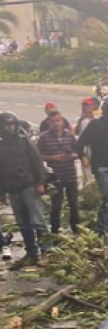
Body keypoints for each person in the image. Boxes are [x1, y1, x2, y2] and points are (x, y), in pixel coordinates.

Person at [0, 111, 49, 268]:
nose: (11, 128)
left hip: (29, 184)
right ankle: (31, 253)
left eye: (13, 124)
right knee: (22, 223)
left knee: (38, 221)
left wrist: (41, 182)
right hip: (13, 188)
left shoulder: (23, 140)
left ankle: (47, 252)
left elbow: (36, 161)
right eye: (8, 125)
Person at [77, 96, 108, 240]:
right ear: (106, 110)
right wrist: (83, 157)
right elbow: (80, 143)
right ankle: (101, 228)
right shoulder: (95, 125)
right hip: (100, 166)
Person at [38, 111, 80, 235]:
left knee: (74, 205)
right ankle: (55, 232)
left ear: (62, 121)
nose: (56, 124)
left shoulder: (70, 136)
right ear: (48, 123)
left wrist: (73, 155)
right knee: (56, 206)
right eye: (53, 121)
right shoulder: (44, 138)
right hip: (55, 177)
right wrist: (53, 158)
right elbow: (37, 156)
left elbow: (78, 152)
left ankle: (77, 231)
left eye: (58, 121)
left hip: (70, 175)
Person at [75, 98, 96, 187]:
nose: (85, 107)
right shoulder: (81, 120)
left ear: (92, 107)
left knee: (91, 178)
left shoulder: (95, 120)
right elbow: (76, 132)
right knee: (87, 177)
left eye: (87, 105)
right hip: (85, 152)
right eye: (83, 105)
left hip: (94, 152)